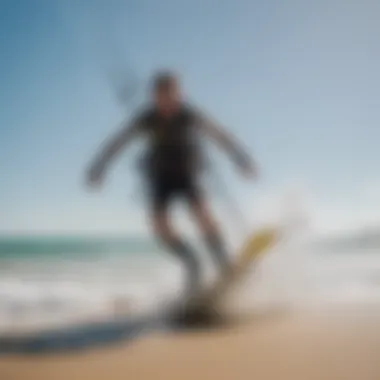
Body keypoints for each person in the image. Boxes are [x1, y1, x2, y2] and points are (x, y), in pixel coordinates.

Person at [86, 70, 258, 301]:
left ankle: (225, 265)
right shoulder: (146, 119)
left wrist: (241, 158)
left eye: (171, 94)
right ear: (154, 96)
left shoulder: (189, 115)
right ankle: (192, 264)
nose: (167, 101)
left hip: (186, 174)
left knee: (202, 214)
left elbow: (219, 134)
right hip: (160, 178)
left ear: (178, 94)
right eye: (161, 95)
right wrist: (99, 166)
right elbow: (118, 141)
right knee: (160, 227)